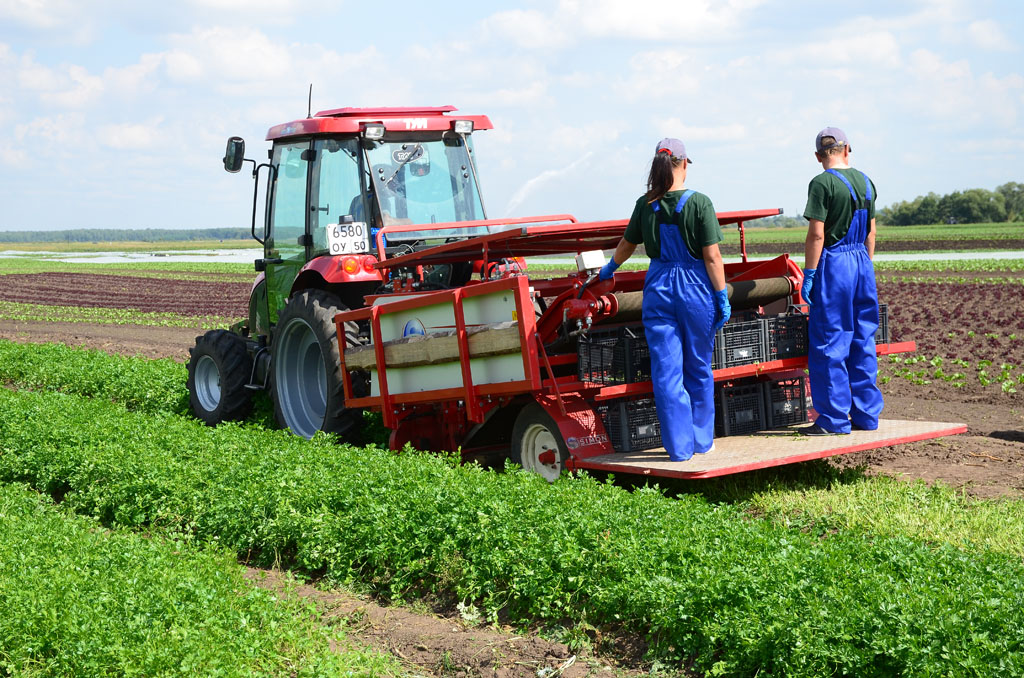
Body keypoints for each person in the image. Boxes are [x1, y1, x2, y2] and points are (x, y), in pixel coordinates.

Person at [599, 138, 730, 461]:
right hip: (695, 288)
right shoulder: (700, 203)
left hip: (658, 288)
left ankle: (679, 448)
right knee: (698, 365)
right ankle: (702, 441)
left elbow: (628, 245)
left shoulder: (646, 204)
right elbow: (712, 257)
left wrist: (610, 267)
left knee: (667, 371)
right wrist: (721, 296)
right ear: (685, 163)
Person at [801, 127, 884, 435]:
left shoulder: (822, 183)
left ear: (818, 156)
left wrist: (809, 274)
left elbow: (817, 234)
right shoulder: (866, 182)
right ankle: (866, 416)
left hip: (835, 263)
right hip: (862, 262)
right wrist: (866, 266)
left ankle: (833, 420)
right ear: (847, 148)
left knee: (830, 341)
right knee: (863, 338)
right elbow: (871, 232)